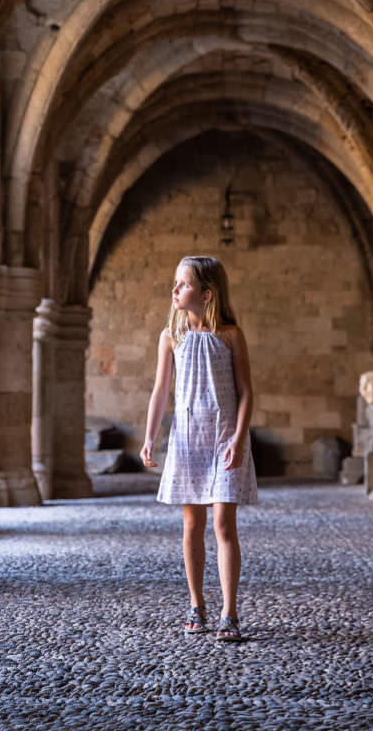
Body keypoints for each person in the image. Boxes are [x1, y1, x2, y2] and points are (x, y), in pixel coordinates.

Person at [140, 255, 258, 642]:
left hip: (225, 436)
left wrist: (239, 439)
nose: (174, 289)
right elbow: (161, 391)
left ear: (207, 294)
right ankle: (196, 603)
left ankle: (230, 610)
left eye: (183, 284)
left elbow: (246, 393)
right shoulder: (170, 335)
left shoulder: (230, 335)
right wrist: (149, 436)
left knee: (224, 524)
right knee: (192, 524)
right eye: (175, 283)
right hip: (188, 438)